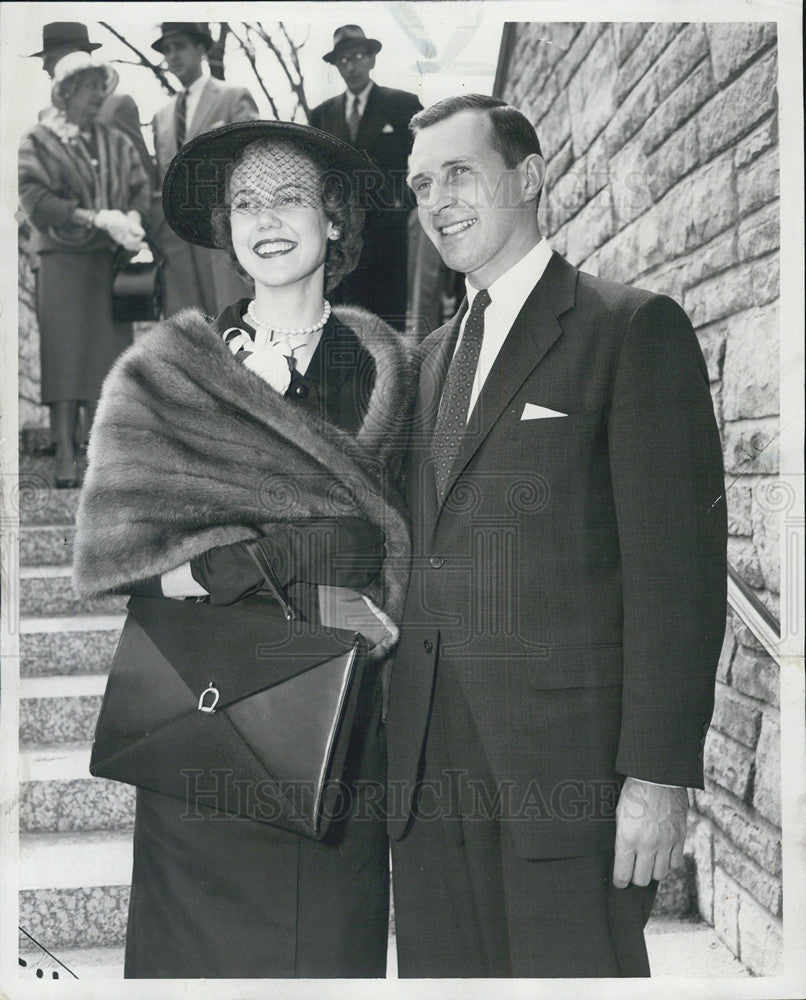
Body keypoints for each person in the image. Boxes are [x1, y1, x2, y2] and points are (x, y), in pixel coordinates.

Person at [385, 95, 728, 978]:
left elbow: (677, 579)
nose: (439, 200)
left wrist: (657, 779)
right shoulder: (425, 363)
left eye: (460, 173)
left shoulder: (629, 329)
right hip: (428, 785)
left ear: (529, 177)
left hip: (569, 788)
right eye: (422, 184)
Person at [73, 119, 418, 977]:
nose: (267, 217)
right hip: (206, 743)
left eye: (290, 195)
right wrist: (291, 568)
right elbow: (138, 564)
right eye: (245, 202)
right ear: (225, 229)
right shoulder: (166, 373)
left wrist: (308, 570)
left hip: (332, 747)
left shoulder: (392, 371)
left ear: (334, 218)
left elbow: (406, 545)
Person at [18, 52, 150, 487]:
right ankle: (65, 459)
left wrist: (131, 217)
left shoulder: (115, 141)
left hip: (106, 262)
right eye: (91, 86)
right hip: (60, 261)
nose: (99, 95)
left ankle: (102, 456)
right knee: (63, 357)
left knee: (106, 358)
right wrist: (89, 217)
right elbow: (36, 202)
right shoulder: (37, 140)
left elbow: (138, 187)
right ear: (67, 91)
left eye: (102, 86)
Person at [311, 25, 422, 331]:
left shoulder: (402, 104)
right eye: (343, 60)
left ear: (372, 59)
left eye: (358, 56)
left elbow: (427, 155)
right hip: (343, 235)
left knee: (388, 321)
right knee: (345, 320)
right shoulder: (321, 115)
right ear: (336, 66)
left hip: (389, 231)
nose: (351, 65)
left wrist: (407, 202)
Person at [150, 22, 259, 316]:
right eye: (167, 49)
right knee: (190, 336)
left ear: (201, 49)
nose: (172, 56)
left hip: (221, 238)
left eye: (180, 46)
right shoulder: (161, 117)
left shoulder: (232, 97)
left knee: (236, 323)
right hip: (178, 245)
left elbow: (252, 163)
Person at [29, 21, 156, 185]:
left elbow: (144, 176)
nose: (44, 66)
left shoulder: (117, 105)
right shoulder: (46, 115)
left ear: (74, 56)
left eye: (50, 58)